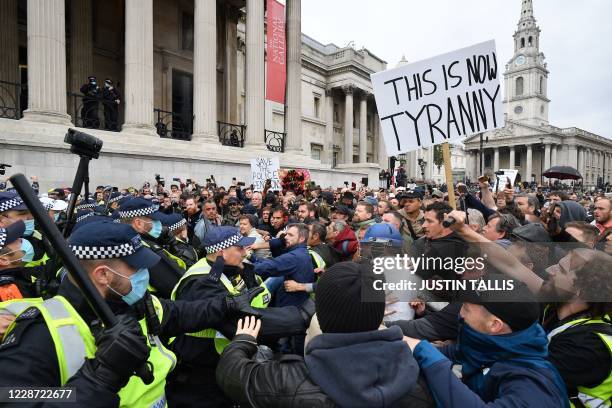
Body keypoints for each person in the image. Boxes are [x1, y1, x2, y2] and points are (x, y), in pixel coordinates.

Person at [0, 220, 264, 407]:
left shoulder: (132, 302)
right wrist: (100, 378)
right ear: (103, 274)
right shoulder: (40, 336)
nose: (144, 275)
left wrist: (228, 304)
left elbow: (180, 313)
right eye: (136, 267)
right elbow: (17, 398)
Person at [216, 262, 433, 408]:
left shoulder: (290, 379)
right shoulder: (422, 377)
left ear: (321, 315)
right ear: (379, 315)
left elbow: (232, 375)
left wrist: (243, 340)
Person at [167, 226, 312, 407]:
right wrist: (303, 316)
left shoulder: (227, 270)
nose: (245, 252)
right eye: (239, 248)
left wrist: (248, 276)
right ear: (221, 253)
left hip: (218, 363)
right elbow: (242, 323)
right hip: (199, 374)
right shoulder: (201, 283)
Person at [404, 281, 570, 407]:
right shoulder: (486, 345)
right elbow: (453, 353)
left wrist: (431, 360)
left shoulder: (535, 386)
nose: (460, 314)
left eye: (466, 309)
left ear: (494, 325)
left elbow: (435, 359)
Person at [117, 197, 185, 298]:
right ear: (139, 223)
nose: (158, 223)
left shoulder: (129, 243)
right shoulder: (142, 250)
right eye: (154, 220)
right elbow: (177, 285)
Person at [249, 223, 314, 307]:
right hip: (295, 304)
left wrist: (241, 264)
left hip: (288, 308)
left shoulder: (294, 257)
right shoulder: (301, 252)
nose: (286, 237)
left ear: (301, 239)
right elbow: (275, 262)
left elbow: (264, 268)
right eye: (286, 234)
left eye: (290, 235)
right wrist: (251, 257)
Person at [0, 221, 37, 304]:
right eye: (16, 240)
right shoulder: (8, 289)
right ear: (4, 260)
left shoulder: (18, 275)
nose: (22, 240)